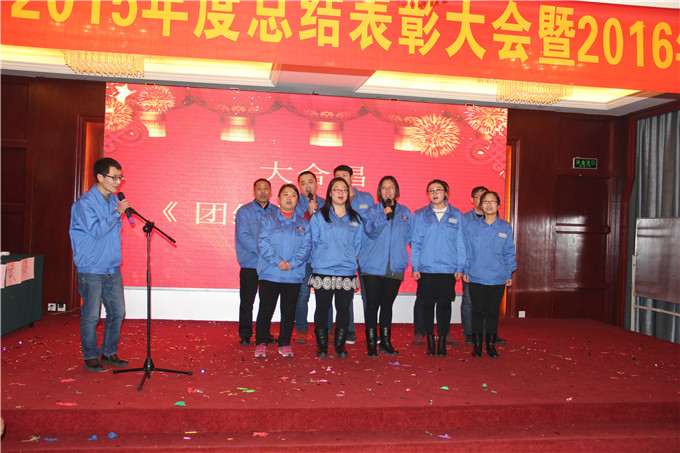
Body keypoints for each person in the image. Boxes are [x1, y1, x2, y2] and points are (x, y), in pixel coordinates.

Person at [69, 157, 130, 372]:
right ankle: (90, 355)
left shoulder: (114, 200)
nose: (118, 182)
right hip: (92, 267)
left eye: (120, 177)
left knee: (117, 312)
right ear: (100, 177)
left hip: (112, 266)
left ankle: (109, 352)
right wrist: (117, 212)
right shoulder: (85, 203)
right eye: (114, 177)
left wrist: (118, 211)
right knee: (92, 315)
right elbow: (96, 231)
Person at [254, 184, 311, 358]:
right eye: (285, 194)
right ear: (278, 199)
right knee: (266, 309)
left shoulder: (304, 223)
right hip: (270, 272)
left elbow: (306, 247)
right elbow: (263, 243)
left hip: (293, 274)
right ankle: (261, 343)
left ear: (297, 200)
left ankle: (285, 343)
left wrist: (291, 263)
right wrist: (278, 261)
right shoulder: (267, 219)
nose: (289, 198)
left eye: (293, 195)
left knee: (288, 311)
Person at [309, 177, 363, 358]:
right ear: (330, 193)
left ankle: (340, 346)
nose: (341, 192)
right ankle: (322, 345)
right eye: (336, 189)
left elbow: (358, 244)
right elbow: (312, 242)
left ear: (348, 193)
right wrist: (321, 259)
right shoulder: (319, 216)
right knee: (322, 308)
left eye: (344, 189)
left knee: (343, 309)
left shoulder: (356, 218)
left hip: (346, 271)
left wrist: (348, 257)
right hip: (323, 270)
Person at [410, 179, 466, 357]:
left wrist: (460, 266)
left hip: (448, 269)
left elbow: (460, 243)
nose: (435, 193)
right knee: (427, 305)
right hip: (426, 268)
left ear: (446, 192)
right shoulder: (420, 215)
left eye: (438, 190)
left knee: (444, 305)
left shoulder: (456, 214)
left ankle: (441, 340)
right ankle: (430, 340)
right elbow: (416, 243)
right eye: (431, 190)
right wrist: (415, 266)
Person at [360, 176, 412, 357]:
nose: (388, 191)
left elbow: (408, 236)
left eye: (391, 187)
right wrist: (384, 215)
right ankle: (371, 343)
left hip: (395, 263)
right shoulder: (371, 211)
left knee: (387, 304)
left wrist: (396, 249)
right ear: (379, 191)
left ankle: (385, 342)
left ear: (396, 191)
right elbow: (371, 232)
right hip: (372, 263)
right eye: (384, 187)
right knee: (372, 304)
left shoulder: (405, 212)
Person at [464, 191, 517, 359]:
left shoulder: (505, 227)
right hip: (476, 275)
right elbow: (467, 251)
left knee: (493, 312)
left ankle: (491, 346)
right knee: (477, 312)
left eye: (492, 201)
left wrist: (509, 273)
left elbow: (509, 252)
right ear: (480, 205)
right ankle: (477, 345)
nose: (488, 205)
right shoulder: (472, 226)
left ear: (498, 205)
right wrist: (466, 270)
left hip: (497, 277)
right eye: (485, 201)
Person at [331, 165, 373, 344]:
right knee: (345, 293)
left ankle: (372, 331)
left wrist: (361, 249)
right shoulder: (334, 200)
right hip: (344, 256)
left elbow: (371, 225)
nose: (342, 178)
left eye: (344, 175)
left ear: (351, 177)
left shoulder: (366, 198)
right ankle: (348, 330)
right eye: (337, 176)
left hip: (365, 254)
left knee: (368, 294)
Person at [235, 178, 278, 345]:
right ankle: (245, 334)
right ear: (254, 192)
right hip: (250, 263)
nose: (262, 191)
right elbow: (243, 237)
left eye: (265, 188)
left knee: (267, 302)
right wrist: (266, 251)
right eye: (259, 188)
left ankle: (263, 333)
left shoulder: (276, 212)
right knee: (247, 300)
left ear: (271, 192)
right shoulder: (244, 211)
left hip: (270, 265)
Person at [293, 171, 325, 344]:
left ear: (316, 184)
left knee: (324, 295)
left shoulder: (326, 203)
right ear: (299, 186)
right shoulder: (294, 203)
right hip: (303, 258)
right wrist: (307, 213)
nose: (307, 186)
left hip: (322, 258)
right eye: (303, 183)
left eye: (310, 182)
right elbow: (294, 228)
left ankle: (326, 329)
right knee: (303, 294)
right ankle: (301, 329)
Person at [460, 186, 488, 345]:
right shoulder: (464, 219)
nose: (482, 200)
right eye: (479, 197)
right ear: (472, 200)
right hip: (470, 266)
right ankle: (469, 332)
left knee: (487, 301)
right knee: (469, 300)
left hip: (489, 268)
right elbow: (462, 245)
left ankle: (488, 332)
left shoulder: (494, 219)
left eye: (485, 197)